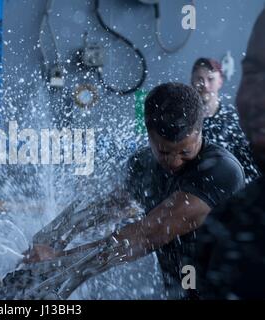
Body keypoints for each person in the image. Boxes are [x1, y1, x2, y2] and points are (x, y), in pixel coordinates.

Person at [26, 83, 245, 299]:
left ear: (199, 131)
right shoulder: (144, 165)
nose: (175, 161)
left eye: (185, 152)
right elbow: (108, 208)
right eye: (165, 151)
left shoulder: (220, 172)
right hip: (185, 286)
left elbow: (146, 234)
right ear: (149, 136)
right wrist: (57, 234)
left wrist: (59, 260)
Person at [195, 9, 265, 299]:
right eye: (252, 73)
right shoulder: (231, 225)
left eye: (208, 79)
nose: (258, 99)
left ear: (220, 83)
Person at [191, 57, 260, 183]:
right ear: (192, 81)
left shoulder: (235, 120)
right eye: (199, 79)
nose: (205, 85)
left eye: (210, 79)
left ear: (220, 81)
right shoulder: (187, 121)